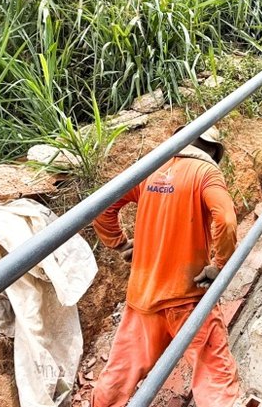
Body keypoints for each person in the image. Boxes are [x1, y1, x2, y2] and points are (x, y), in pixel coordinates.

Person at [91, 125, 240, 407]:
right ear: (210, 150)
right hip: (187, 296)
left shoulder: (150, 168)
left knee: (119, 375)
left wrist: (120, 244)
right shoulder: (205, 173)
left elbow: (102, 206)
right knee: (214, 376)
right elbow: (227, 221)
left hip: (143, 297)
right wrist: (219, 265)